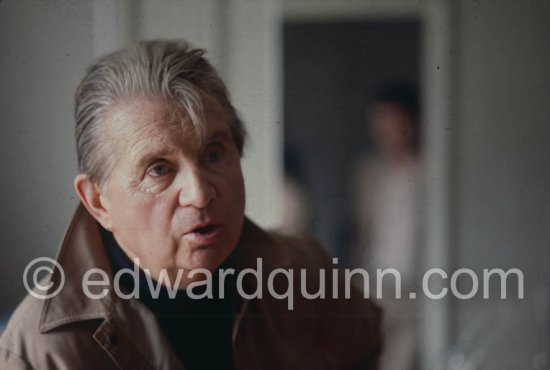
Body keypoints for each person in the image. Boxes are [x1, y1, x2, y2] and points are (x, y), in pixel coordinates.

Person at [0, 40, 381, 369]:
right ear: (98, 202)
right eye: (159, 169)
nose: (199, 194)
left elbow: (366, 352)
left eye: (213, 155)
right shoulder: (40, 348)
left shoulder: (305, 270)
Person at [353, 84, 422, 370]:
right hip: (372, 285)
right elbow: (363, 229)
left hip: (415, 288)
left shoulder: (431, 172)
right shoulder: (369, 171)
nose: (383, 131)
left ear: (411, 122)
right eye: (378, 123)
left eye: (391, 122)